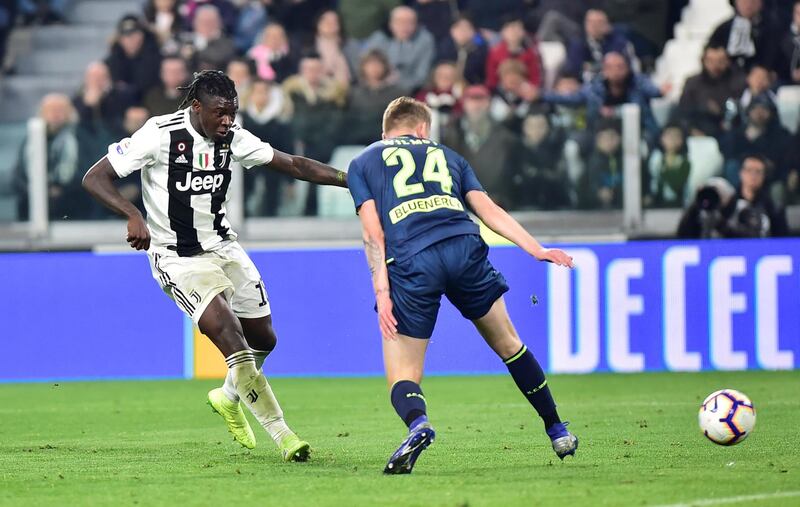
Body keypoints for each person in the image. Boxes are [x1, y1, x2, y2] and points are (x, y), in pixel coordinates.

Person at [81, 70, 348, 461]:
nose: (228, 121)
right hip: (177, 255)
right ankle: (284, 435)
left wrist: (350, 179)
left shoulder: (233, 138)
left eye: (233, 113)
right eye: (221, 113)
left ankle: (227, 396)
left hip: (224, 247)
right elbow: (95, 177)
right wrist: (132, 213)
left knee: (265, 339)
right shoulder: (158, 134)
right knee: (228, 332)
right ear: (197, 107)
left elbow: (294, 165)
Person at [347, 96, 578, 474]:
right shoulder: (448, 155)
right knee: (510, 344)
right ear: (424, 129)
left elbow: (373, 234)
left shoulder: (364, 161)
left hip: (413, 259)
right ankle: (556, 428)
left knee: (403, 372)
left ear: (385, 131)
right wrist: (536, 249)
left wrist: (382, 294)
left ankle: (418, 423)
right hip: (464, 246)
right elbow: (488, 211)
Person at [362, 5, 436, 93]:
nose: (404, 26)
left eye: (410, 22)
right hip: (380, 89)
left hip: (412, 90)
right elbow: (365, 66)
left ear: (416, 24)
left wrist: (398, 85)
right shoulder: (378, 38)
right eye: (399, 22)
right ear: (390, 24)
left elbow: (422, 75)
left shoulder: (425, 40)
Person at [678, 44, 746, 138]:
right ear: (703, 61)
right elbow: (683, 113)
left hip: (728, 134)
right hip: (697, 133)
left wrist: (720, 112)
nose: (715, 65)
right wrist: (692, 130)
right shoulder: (693, 83)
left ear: (727, 62)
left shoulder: (737, 83)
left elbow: (739, 113)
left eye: (720, 61)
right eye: (710, 61)